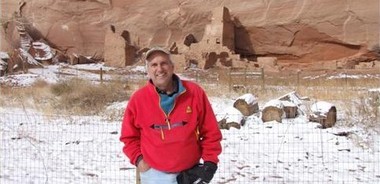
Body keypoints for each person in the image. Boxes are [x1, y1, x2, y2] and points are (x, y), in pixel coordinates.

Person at [120, 46, 222, 184]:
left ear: (172, 67)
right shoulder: (138, 99)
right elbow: (128, 137)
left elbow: (210, 131)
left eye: (164, 63)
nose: (159, 69)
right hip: (154, 176)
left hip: (189, 174)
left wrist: (210, 162)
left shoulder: (194, 93)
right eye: (154, 65)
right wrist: (139, 160)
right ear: (148, 71)